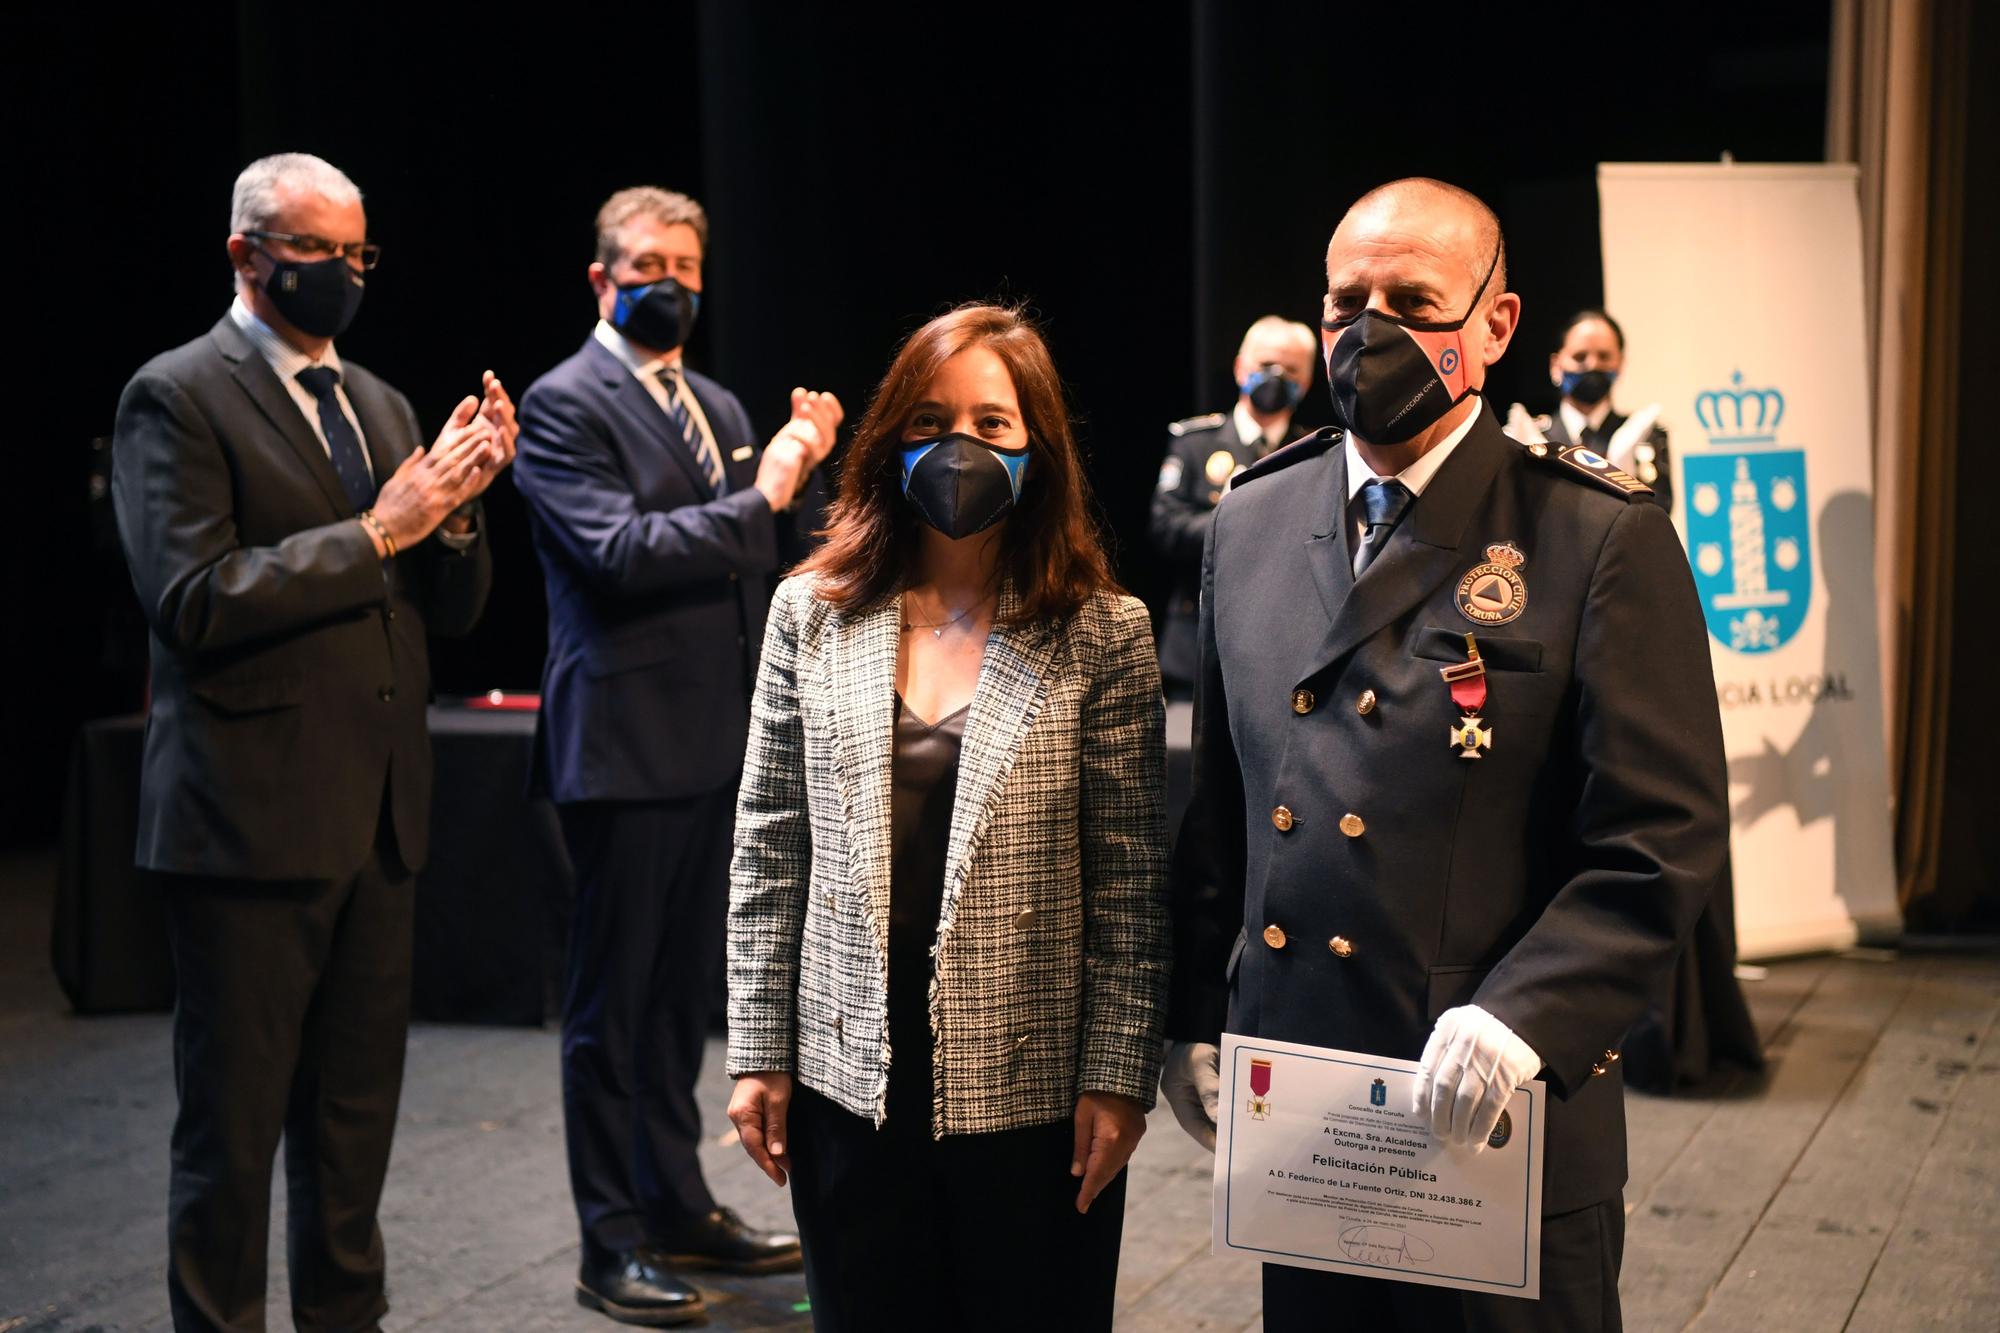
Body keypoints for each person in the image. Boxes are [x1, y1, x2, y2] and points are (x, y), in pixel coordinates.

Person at [1160, 178, 1727, 1331]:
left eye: (1411, 300)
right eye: (1344, 302)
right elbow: (1221, 806)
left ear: (1494, 323)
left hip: (1493, 1115)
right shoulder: (1252, 519)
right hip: (1308, 1119)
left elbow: (1659, 837)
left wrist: (1524, 1014)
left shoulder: (1592, 536)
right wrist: (1186, 1013)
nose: (1369, 333)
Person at [111, 151, 515, 1331]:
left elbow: (448, 610)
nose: (341, 274)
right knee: (231, 1142)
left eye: (356, 255)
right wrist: (383, 530)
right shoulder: (175, 394)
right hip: (244, 826)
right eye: (314, 253)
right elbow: (191, 599)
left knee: (350, 1138)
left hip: (374, 822)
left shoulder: (381, 403)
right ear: (245, 255)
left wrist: (460, 506)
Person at [724, 303, 1171, 1332]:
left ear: (1036, 448)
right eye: (927, 421)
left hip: (1033, 1094)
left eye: (991, 423)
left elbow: (1129, 882)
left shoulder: (1102, 632)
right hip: (848, 1081)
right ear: (889, 443)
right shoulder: (811, 610)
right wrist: (758, 1045)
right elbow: (766, 844)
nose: (957, 447)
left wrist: (1118, 1076)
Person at [512, 186, 842, 1326]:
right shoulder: (564, 404)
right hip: (620, 746)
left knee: (676, 1003)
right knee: (609, 1009)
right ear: (601, 278)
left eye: (688, 267)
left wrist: (805, 494)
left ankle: (676, 1202)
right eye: (647, 263)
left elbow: (759, 549)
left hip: (718, 741)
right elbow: (619, 552)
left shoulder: (710, 398)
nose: (671, 283)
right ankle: (608, 1239)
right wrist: (773, 487)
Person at [1149, 315, 1317, 695]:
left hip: (1280, 654)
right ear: (1241, 368)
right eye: (1265, 365)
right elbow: (1165, 528)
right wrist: (1232, 519)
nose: (1275, 376)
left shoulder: (1316, 453)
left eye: (1290, 370)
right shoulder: (1195, 442)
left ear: (1305, 382)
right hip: (1195, 650)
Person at [1530, 309, 1673, 513]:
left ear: (1620, 363)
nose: (1593, 364)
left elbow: (1661, 511)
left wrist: (1625, 477)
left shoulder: (1643, 433)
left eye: (1604, 356)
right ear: (1556, 364)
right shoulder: (1533, 437)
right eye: (1580, 356)